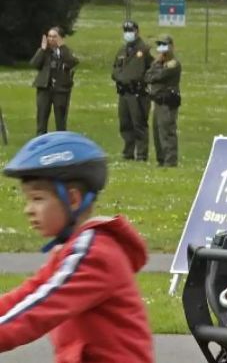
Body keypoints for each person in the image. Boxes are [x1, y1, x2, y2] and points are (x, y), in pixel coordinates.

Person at [0, 131, 153, 362]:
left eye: (37, 199)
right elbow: (26, 296)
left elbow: (37, 311)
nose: (28, 209)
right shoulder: (72, 249)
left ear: (73, 200)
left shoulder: (93, 254)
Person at [111, 20, 153, 161]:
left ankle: (141, 154)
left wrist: (143, 80)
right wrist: (119, 77)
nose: (128, 33)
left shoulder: (145, 49)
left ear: (137, 31)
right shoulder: (122, 50)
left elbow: (153, 68)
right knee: (125, 123)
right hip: (124, 92)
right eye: (125, 31)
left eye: (130, 30)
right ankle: (128, 151)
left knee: (139, 123)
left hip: (138, 93)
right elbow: (115, 68)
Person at [30, 27, 79, 135]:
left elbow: (72, 62)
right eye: (49, 36)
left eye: (54, 36)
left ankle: (60, 139)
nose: (51, 39)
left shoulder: (65, 51)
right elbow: (34, 64)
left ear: (60, 38)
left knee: (60, 118)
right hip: (45, 88)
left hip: (61, 89)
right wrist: (42, 50)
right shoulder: (45, 52)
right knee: (42, 116)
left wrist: (62, 47)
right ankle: (41, 140)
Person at [146, 34, 181, 167]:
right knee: (157, 131)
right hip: (158, 101)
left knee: (167, 131)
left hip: (168, 102)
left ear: (171, 47)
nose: (162, 49)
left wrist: (157, 69)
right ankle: (161, 160)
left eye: (164, 45)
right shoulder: (158, 62)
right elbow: (148, 76)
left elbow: (160, 76)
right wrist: (157, 65)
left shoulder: (174, 64)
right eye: (160, 45)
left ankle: (170, 161)